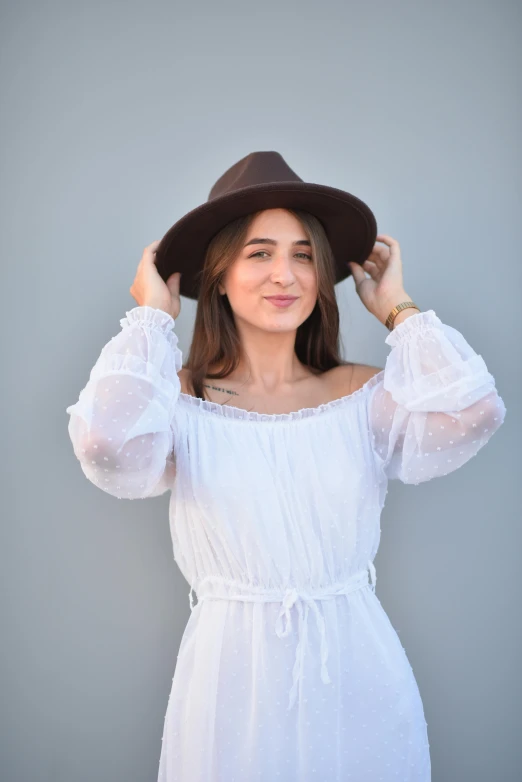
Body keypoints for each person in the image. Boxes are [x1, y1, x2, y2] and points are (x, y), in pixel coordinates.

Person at [66, 152, 506, 782]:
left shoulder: (363, 395)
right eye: (260, 253)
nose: (286, 275)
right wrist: (152, 317)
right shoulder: (177, 401)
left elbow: (476, 412)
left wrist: (399, 309)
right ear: (217, 276)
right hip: (229, 684)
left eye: (304, 255)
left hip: (356, 670)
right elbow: (106, 446)